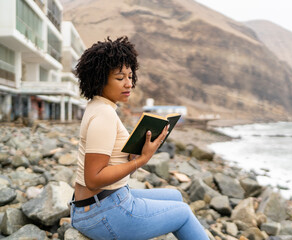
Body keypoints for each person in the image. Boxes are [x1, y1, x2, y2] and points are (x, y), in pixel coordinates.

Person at [69, 36, 209, 240]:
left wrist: (133, 154)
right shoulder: (104, 115)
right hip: (102, 213)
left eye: (130, 76)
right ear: (100, 79)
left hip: (99, 203)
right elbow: (93, 179)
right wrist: (142, 161)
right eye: (120, 78)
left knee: (175, 196)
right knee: (184, 213)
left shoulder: (98, 107)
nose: (129, 84)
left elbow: (108, 161)